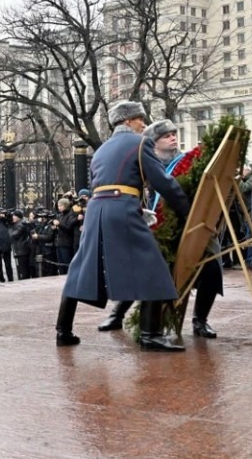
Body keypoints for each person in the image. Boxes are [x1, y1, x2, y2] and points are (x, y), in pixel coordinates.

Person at [55, 101, 190, 351]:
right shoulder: (141, 143)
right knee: (153, 267)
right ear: (128, 121)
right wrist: (187, 209)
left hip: (97, 210)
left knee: (81, 267)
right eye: (140, 119)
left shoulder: (102, 150)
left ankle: (63, 330)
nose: (144, 124)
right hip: (122, 209)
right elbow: (162, 182)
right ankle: (151, 335)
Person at [98, 119, 225, 339]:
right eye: (166, 136)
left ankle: (200, 320)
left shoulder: (188, 162)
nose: (173, 138)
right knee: (141, 270)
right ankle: (118, 314)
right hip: (156, 228)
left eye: (174, 134)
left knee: (212, 267)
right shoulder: (143, 159)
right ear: (153, 142)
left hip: (190, 224)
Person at [54, 199, 79, 274]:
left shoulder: (70, 214)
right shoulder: (61, 215)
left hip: (66, 243)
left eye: (61, 205)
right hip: (59, 243)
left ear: (65, 205)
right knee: (60, 264)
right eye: (58, 206)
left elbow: (68, 228)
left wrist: (59, 224)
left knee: (66, 263)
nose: (59, 207)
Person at [10, 211, 33, 281]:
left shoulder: (20, 225)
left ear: (18, 217)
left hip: (22, 249)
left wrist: (10, 229)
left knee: (23, 269)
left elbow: (14, 235)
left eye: (14, 216)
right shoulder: (21, 223)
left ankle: (24, 281)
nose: (13, 217)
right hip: (21, 249)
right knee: (23, 268)